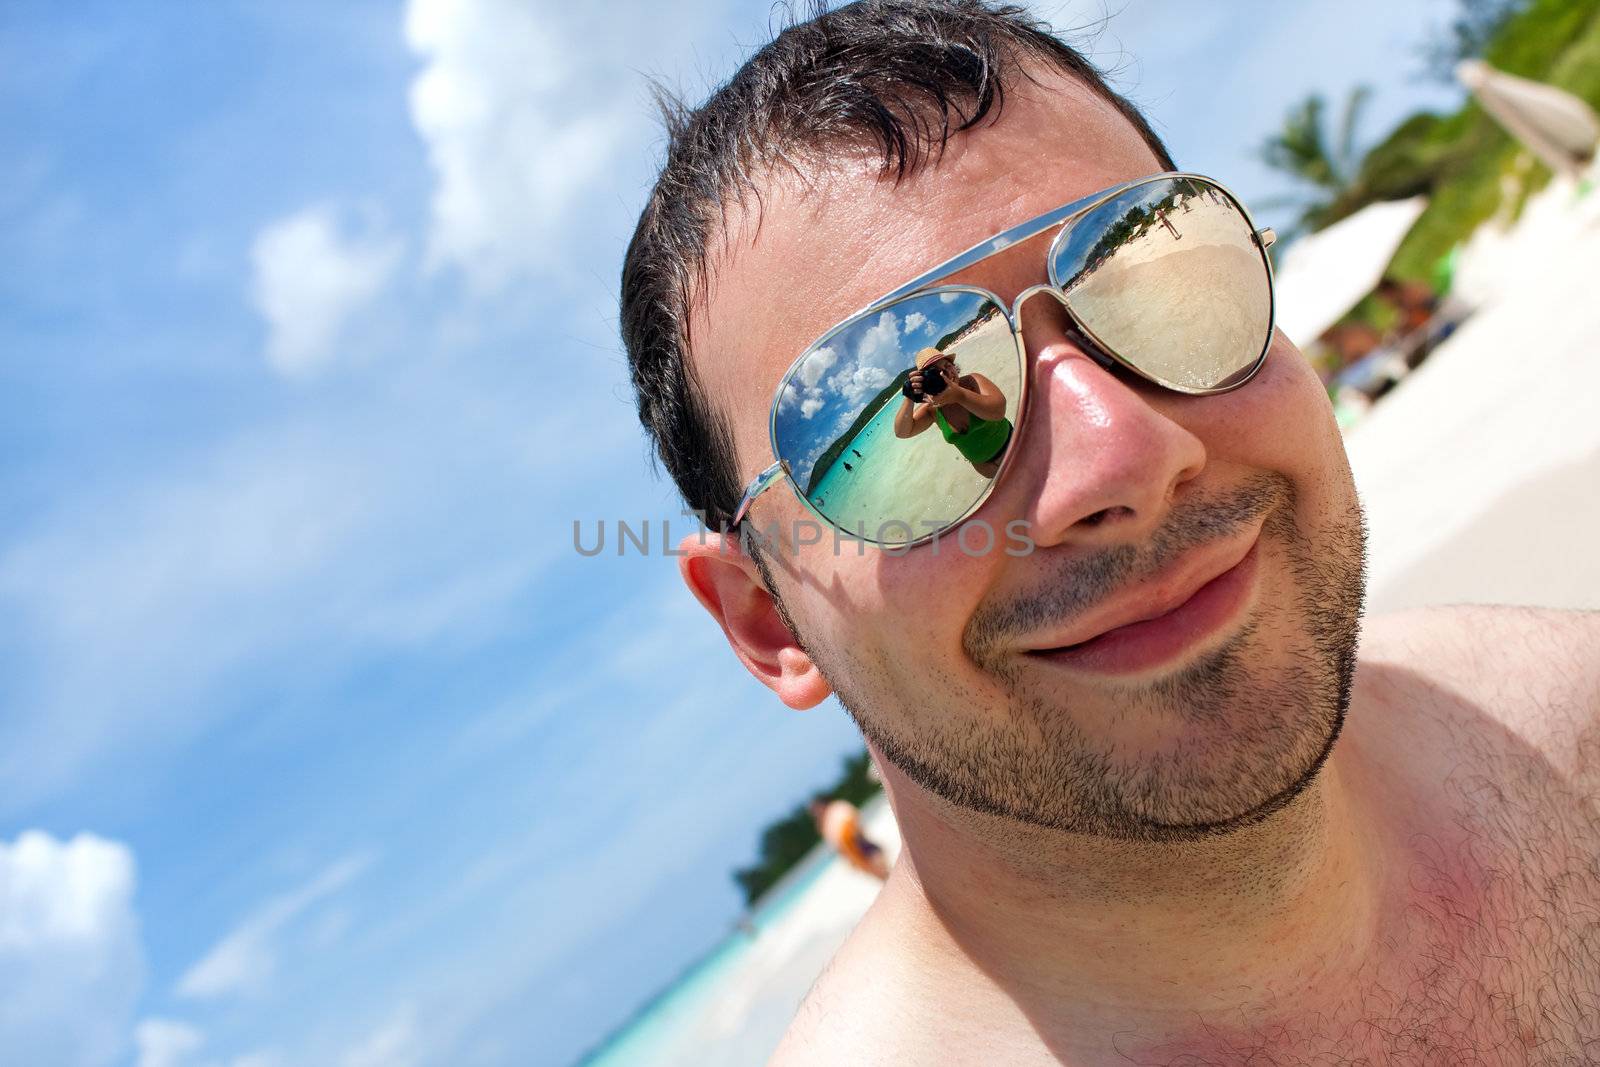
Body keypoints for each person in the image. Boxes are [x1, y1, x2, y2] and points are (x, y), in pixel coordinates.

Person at [620, 2, 1600, 1062]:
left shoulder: (1574, 728)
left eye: (1147, 272)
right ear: (769, 619)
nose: (1123, 452)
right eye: (860, 408)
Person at [894, 347, 1013, 475]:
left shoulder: (972, 382)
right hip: (989, 472)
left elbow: (999, 411)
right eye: (936, 372)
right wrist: (909, 397)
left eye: (947, 366)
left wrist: (960, 395)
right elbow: (902, 432)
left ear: (954, 366)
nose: (945, 373)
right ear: (925, 381)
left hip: (1014, 447)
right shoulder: (932, 409)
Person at [809, 795, 891, 881]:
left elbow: (852, 819)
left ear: (822, 804)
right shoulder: (825, 824)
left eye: (815, 810)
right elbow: (837, 845)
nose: (815, 814)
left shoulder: (835, 809)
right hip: (854, 849)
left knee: (883, 871)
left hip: (859, 842)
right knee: (882, 874)